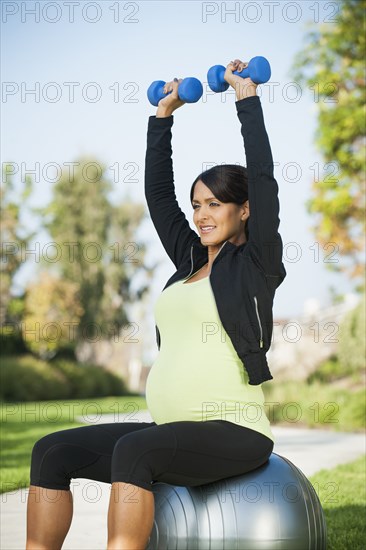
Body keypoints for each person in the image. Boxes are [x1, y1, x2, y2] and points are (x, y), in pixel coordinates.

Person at [26, 59, 286, 550]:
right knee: (52, 449)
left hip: (233, 430)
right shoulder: (188, 261)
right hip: (171, 429)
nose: (202, 215)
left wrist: (246, 99)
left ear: (243, 209)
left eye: (215, 204)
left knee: (135, 450)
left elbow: (265, 180)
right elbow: (158, 197)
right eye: (198, 204)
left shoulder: (256, 263)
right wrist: (163, 116)